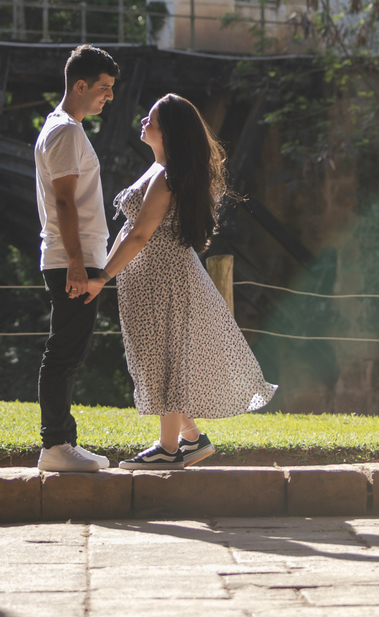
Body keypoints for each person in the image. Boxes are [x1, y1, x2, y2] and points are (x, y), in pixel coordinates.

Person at [86, 93, 276, 469]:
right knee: (158, 358)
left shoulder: (168, 177)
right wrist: (102, 275)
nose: (143, 121)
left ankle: (168, 448)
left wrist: (103, 276)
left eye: (152, 119)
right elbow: (129, 233)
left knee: (164, 360)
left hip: (164, 280)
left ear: (169, 130)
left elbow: (140, 235)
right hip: (151, 278)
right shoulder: (158, 169)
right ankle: (192, 438)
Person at [33, 42, 118, 471]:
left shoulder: (62, 127)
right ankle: (57, 445)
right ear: (80, 85)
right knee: (65, 353)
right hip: (74, 260)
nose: (109, 95)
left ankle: (60, 442)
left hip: (75, 257)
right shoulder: (66, 130)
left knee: (69, 351)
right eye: (103, 87)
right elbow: (64, 202)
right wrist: (78, 263)